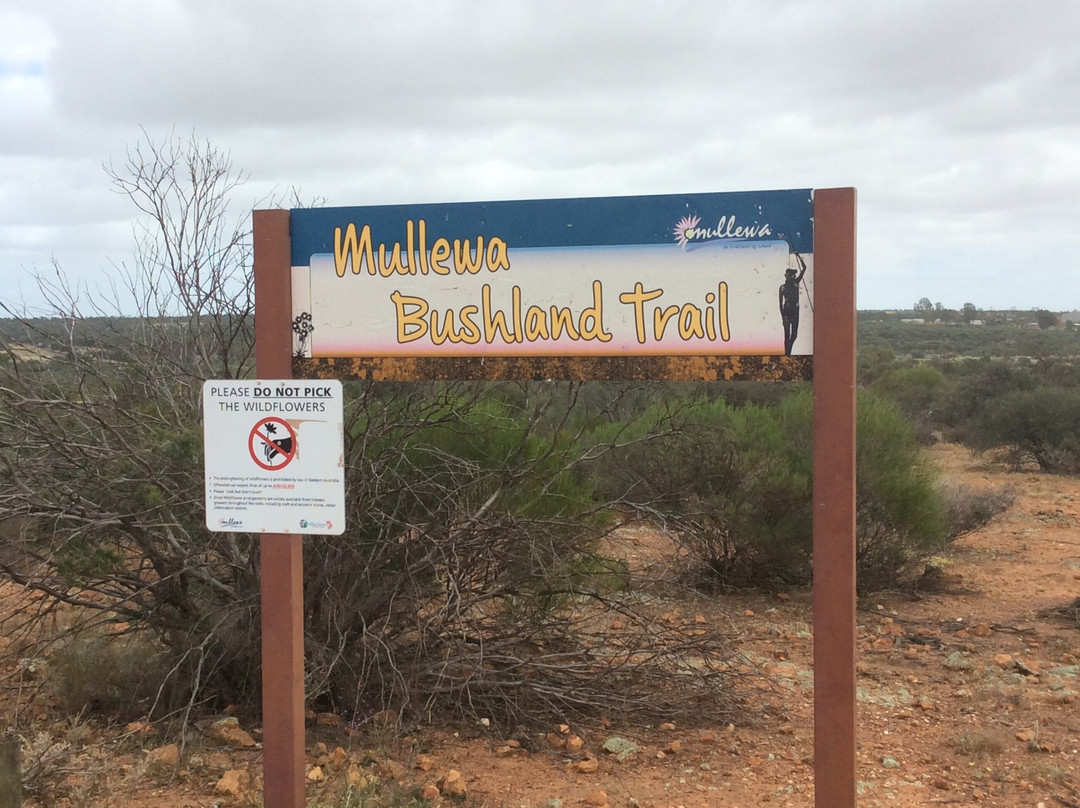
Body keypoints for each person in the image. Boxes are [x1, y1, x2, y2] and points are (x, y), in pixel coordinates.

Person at [779, 253, 807, 356]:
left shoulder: (796, 283)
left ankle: (788, 352)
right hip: (787, 311)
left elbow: (804, 268)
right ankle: (787, 354)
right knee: (787, 335)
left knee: (794, 334)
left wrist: (798, 255)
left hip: (795, 311)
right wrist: (782, 316)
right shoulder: (782, 287)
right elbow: (780, 304)